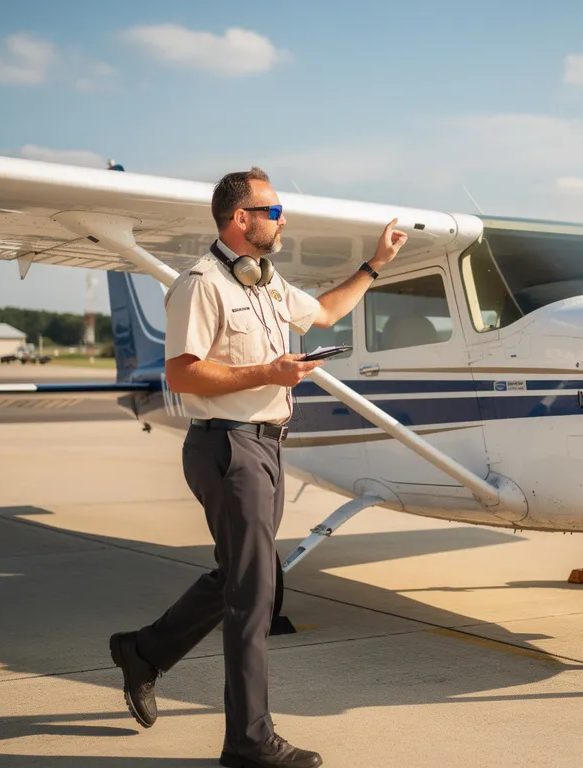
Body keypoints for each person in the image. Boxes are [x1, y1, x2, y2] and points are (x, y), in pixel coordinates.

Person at [109, 167, 407, 768]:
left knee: (242, 576)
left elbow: (323, 313)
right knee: (254, 594)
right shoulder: (202, 283)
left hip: (267, 445)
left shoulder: (266, 282)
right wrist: (268, 374)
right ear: (239, 219)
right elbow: (182, 372)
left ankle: (143, 652)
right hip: (227, 446)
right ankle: (248, 742)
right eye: (272, 211)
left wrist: (376, 264)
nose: (282, 219)